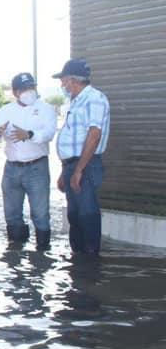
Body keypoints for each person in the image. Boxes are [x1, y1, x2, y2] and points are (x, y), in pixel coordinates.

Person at [0, 72, 57, 249]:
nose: (29, 91)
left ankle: (42, 254)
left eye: (31, 87)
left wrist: (30, 135)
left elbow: (49, 133)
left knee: (40, 214)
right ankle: (16, 252)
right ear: (15, 92)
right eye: (24, 89)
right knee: (12, 214)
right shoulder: (5, 110)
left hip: (37, 168)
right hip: (11, 169)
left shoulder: (46, 109)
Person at [53, 58, 110, 256]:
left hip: (85, 165)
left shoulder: (93, 98)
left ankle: (91, 266)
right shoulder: (76, 101)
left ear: (71, 80)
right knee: (74, 215)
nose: (62, 84)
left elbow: (94, 135)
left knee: (87, 214)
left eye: (63, 80)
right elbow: (73, 139)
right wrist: (66, 171)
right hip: (72, 166)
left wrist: (78, 170)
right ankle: (79, 263)